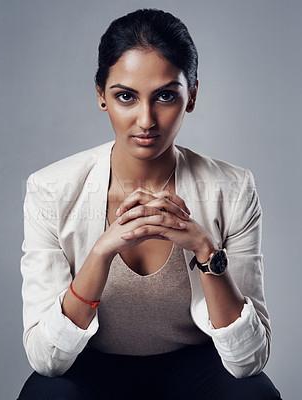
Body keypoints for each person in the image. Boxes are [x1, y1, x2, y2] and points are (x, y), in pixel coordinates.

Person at [17, 8, 281, 400]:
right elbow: (47, 359)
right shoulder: (51, 190)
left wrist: (206, 250)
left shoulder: (233, 188)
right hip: (92, 366)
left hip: (194, 366)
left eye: (165, 96)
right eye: (126, 96)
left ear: (191, 96)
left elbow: (249, 360)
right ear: (101, 96)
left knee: (253, 394)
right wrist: (102, 252)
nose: (145, 120)